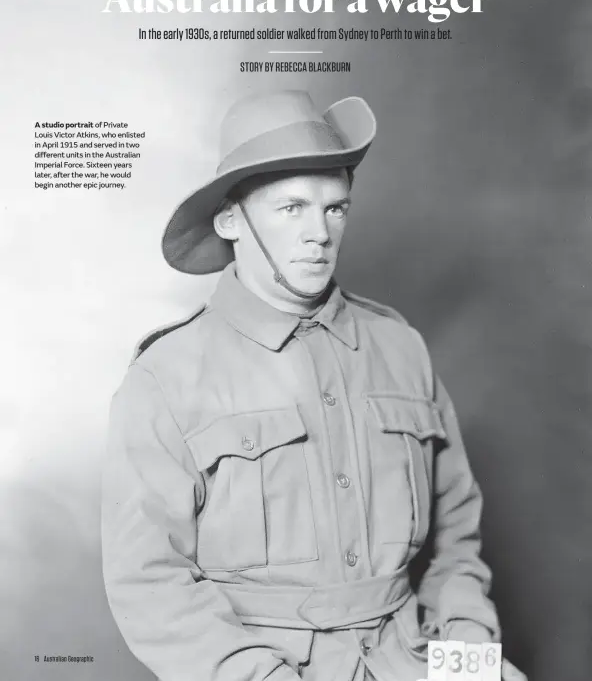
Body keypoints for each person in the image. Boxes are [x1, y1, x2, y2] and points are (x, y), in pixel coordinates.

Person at [102, 90, 526, 681]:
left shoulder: (399, 347)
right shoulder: (166, 375)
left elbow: (456, 538)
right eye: (291, 207)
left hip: (415, 659)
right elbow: (149, 581)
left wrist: (471, 661)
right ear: (231, 221)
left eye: (336, 208)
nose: (320, 233)